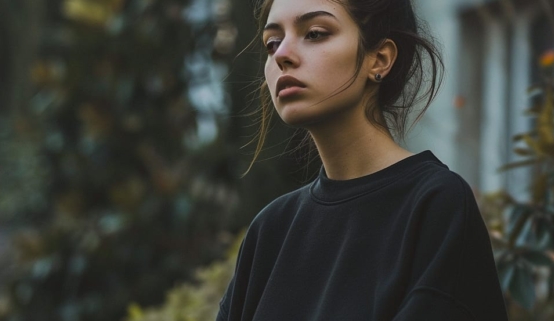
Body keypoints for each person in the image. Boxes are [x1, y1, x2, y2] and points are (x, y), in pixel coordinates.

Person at [217, 0, 509, 319]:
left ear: (379, 59)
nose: (282, 55)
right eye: (273, 42)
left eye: (314, 33)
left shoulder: (435, 205)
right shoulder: (271, 230)